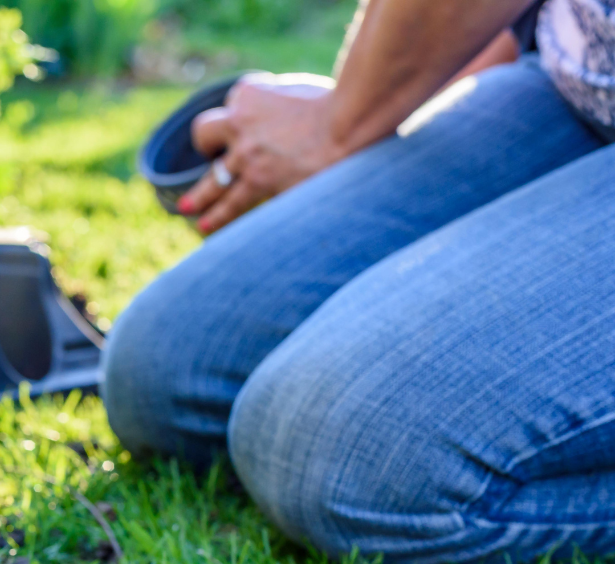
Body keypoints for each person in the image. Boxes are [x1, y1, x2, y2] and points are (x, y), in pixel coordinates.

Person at [102, 0, 615, 561]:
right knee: (164, 366)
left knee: (350, 459)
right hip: (571, 83)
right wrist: (412, 99)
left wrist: (337, 126)